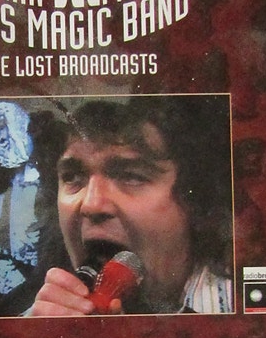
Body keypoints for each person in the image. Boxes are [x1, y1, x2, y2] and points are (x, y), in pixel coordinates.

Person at [29, 96, 233, 316]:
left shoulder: (246, 315)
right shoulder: (31, 323)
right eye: (72, 177)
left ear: (196, 202)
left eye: (131, 176)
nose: (91, 205)